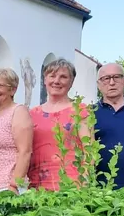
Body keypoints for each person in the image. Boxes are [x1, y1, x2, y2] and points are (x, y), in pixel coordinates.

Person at [28, 58, 90, 190]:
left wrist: (84, 181)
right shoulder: (32, 114)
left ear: (71, 82)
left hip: (71, 184)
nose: (56, 81)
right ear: (45, 80)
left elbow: (89, 149)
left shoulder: (80, 110)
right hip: (36, 184)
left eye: (63, 77)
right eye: (52, 76)